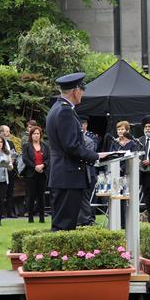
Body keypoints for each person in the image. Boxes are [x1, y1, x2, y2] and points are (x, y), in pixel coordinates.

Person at [44, 73, 103, 231]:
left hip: (63, 174)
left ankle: (56, 255)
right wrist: (96, 156)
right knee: (65, 225)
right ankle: (58, 256)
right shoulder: (65, 111)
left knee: (62, 223)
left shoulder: (57, 108)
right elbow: (71, 146)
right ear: (76, 91)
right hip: (68, 175)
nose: (82, 94)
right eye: (82, 90)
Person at [22, 126, 50, 223]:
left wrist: (43, 165)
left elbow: (49, 159)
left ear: (40, 135)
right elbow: (25, 159)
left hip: (43, 173)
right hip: (31, 174)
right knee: (31, 195)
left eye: (38, 133)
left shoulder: (45, 146)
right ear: (31, 135)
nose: (36, 135)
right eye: (34, 133)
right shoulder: (26, 146)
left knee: (41, 196)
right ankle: (30, 217)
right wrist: (35, 166)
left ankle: (42, 218)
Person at [0, 126, 19, 218]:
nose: (8, 133)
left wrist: (13, 160)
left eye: (9, 131)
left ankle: (10, 212)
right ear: (1, 132)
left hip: (10, 170)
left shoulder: (10, 143)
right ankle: (1, 213)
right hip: (1, 171)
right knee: (1, 192)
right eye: (7, 132)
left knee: (10, 192)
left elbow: (14, 154)